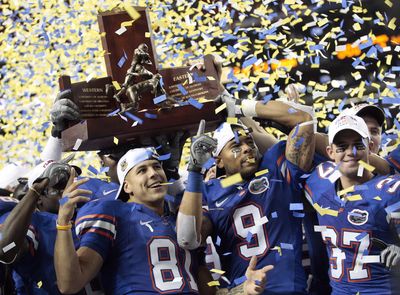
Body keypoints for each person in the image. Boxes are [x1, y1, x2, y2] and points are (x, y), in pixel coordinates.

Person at [55, 144, 272, 295]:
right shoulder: (112, 212)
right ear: (126, 187)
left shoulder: (182, 222)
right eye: (142, 170)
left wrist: (242, 290)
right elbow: (70, 284)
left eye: (157, 166)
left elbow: (208, 291)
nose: (153, 173)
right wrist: (63, 223)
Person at [177, 89, 315, 294]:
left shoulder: (275, 165)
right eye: (235, 145)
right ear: (219, 161)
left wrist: (240, 106)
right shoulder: (209, 191)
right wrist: (195, 171)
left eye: (249, 142)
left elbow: (303, 119)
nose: (247, 148)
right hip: (243, 290)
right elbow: (187, 238)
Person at [304, 114, 400, 295]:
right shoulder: (319, 183)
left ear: (370, 147)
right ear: (330, 152)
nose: (350, 152)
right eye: (342, 147)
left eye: (358, 145)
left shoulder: (392, 191)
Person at [0, 159, 96, 294]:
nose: (68, 190)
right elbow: (6, 249)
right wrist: (34, 192)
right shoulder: (34, 222)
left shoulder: (87, 212)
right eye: (60, 186)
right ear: (39, 198)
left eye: (71, 182)